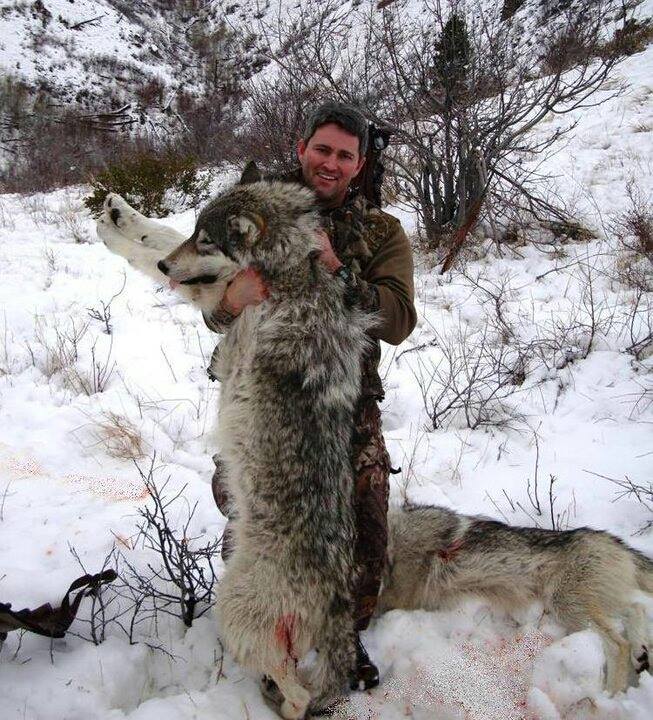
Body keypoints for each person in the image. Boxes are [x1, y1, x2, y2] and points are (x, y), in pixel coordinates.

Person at [204, 101, 417, 689]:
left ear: (359, 163)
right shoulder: (256, 208)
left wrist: (335, 268)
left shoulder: (381, 232)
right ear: (301, 148)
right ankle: (278, 630)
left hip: (341, 402)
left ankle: (339, 630)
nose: (330, 163)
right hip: (266, 399)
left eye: (344, 155)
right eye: (321, 149)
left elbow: (398, 319)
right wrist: (230, 301)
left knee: (365, 557)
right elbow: (210, 303)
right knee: (264, 523)